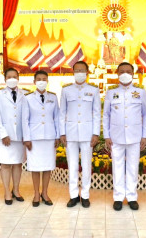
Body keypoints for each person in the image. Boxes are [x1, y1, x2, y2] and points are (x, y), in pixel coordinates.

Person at [103, 62, 146, 211]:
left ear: (133, 74)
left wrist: (145, 136)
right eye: (122, 71)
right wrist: (107, 135)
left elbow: (145, 115)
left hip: (135, 136)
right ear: (117, 73)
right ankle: (118, 197)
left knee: (132, 167)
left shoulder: (140, 92)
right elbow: (106, 115)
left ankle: (131, 197)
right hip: (116, 136)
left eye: (128, 71)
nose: (125, 74)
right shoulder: (111, 92)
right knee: (117, 166)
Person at [59, 61, 101, 208]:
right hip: (70, 134)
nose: (80, 73)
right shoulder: (66, 90)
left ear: (87, 72)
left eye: (82, 70)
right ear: (73, 72)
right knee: (72, 165)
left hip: (87, 134)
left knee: (86, 165)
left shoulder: (94, 90)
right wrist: (62, 133)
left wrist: (96, 133)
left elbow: (96, 113)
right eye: (77, 70)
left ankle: (85, 195)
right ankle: (73, 195)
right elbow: (61, 113)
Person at [22, 70, 60, 207]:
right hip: (34, 138)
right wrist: (26, 138)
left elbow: (57, 117)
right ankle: (36, 194)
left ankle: (45, 192)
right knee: (36, 167)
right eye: (39, 79)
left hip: (49, 137)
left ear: (47, 81)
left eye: (44, 79)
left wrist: (57, 135)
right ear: (34, 81)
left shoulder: (53, 97)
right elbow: (24, 120)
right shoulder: (28, 98)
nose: (42, 81)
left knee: (47, 166)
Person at [0, 68, 27, 205]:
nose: (12, 79)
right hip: (4, 136)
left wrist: (26, 135)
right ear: (5, 79)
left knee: (18, 164)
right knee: (5, 164)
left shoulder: (24, 94)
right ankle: (7, 191)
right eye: (9, 76)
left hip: (19, 136)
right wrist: (3, 134)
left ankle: (16, 190)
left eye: (15, 76)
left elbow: (25, 116)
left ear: (18, 78)